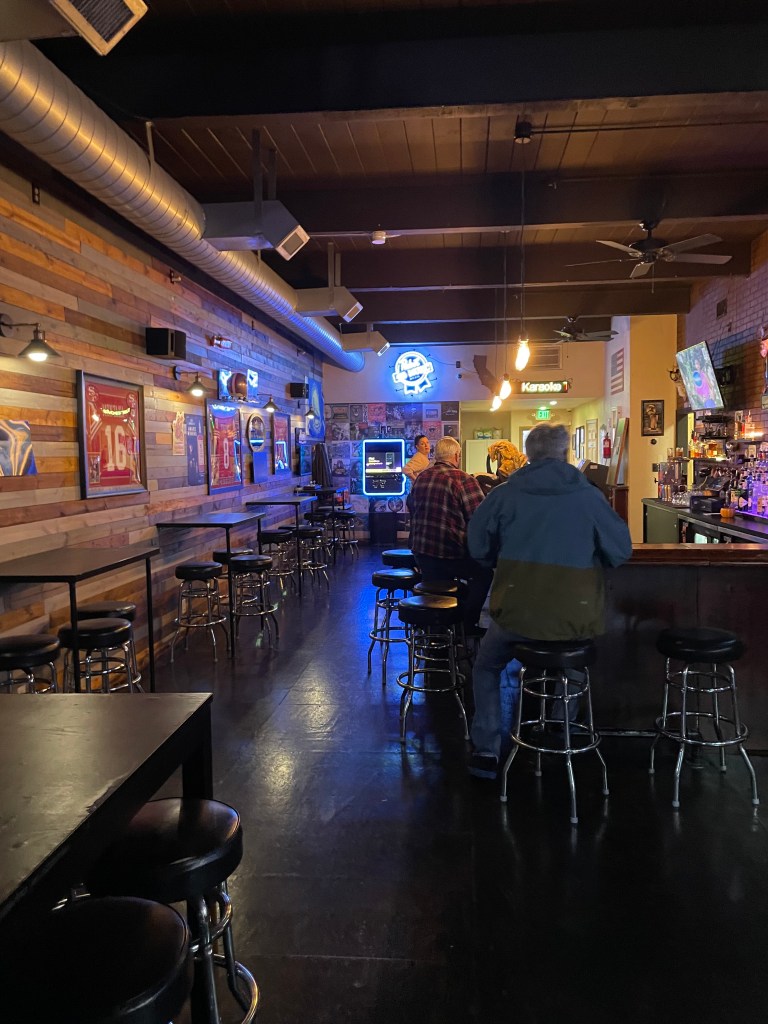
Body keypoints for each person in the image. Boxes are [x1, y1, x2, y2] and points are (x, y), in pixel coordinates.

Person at [466, 422, 633, 778]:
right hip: (575, 616)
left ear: (527, 454)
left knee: (486, 667)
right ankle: (561, 730)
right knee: (571, 662)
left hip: (515, 615)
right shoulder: (590, 497)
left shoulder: (504, 494)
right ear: (565, 453)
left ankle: (486, 751)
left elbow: (478, 547)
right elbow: (620, 552)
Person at [409, 435, 493, 634]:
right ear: (456, 455)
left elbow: (411, 506)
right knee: (484, 574)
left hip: (422, 554)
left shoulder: (422, 477)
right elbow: (481, 519)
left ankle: (436, 627)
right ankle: (466, 624)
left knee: (433, 583)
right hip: (452, 554)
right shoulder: (463, 479)